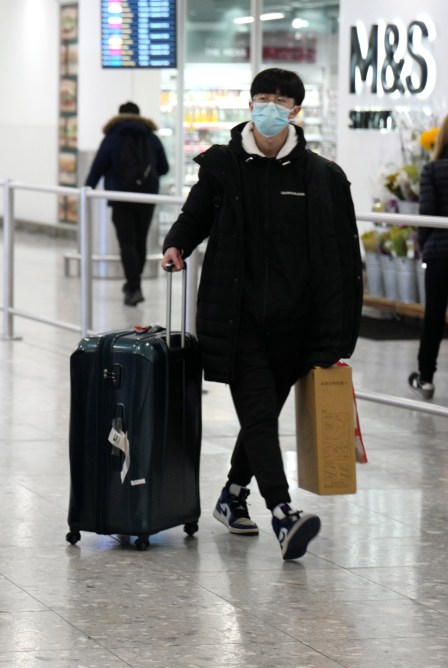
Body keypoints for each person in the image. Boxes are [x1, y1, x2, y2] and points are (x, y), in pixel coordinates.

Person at [161, 68, 362, 560]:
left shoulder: (323, 177)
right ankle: (282, 513)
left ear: (296, 110)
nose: (269, 106)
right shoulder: (222, 165)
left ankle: (233, 495)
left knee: (261, 417)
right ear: (250, 104)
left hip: (296, 323)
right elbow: (197, 215)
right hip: (237, 318)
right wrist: (176, 244)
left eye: (281, 99)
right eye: (262, 97)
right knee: (257, 410)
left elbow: (344, 260)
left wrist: (338, 336)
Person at [85, 101, 169, 306]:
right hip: (147, 198)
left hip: (121, 198)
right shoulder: (151, 137)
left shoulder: (112, 137)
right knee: (140, 242)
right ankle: (134, 284)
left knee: (127, 243)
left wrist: (87, 189)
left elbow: (98, 166)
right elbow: (164, 168)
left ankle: (133, 286)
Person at [410, 116, 448, 399]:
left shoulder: (432, 169)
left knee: (434, 316)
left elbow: (427, 215)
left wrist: (424, 245)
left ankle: (425, 378)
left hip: (439, 252)